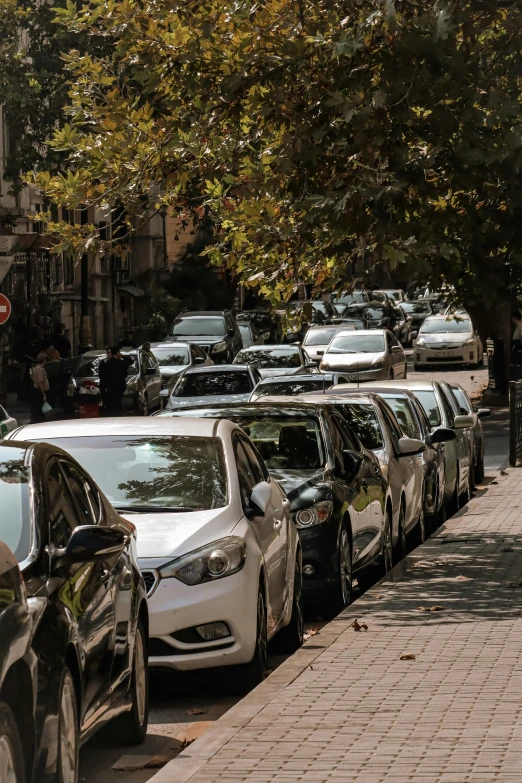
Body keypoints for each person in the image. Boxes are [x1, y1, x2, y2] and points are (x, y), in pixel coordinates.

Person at [99, 346, 127, 415]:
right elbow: (102, 376)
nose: (108, 354)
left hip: (113, 389)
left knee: (112, 408)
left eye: (109, 352)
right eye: (107, 353)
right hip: (112, 389)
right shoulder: (104, 363)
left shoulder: (109, 363)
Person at [30, 353, 50, 423]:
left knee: (37, 409)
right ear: (44, 360)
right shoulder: (40, 369)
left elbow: (32, 377)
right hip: (39, 392)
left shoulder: (36, 368)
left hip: (37, 390)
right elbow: (40, 383)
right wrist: (44, 395)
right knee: (40, 410)